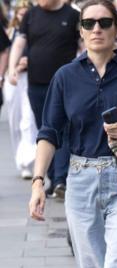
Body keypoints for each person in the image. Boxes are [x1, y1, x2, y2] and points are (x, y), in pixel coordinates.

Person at [27, 0, 117, 268]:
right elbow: (49, 132)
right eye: (88, 23)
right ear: (80, 30)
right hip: (80, 181)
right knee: (90, 263)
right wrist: (37, 182)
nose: (96, 29)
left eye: (105, 22)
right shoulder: (65, 76)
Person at [8, 0, 81, 198]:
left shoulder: (72, 15)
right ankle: (51, 178)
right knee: (45, 131)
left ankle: (60, 179)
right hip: (36, 84)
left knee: (64, 130)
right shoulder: (31, 15)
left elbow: (83, 45)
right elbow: (20, 42)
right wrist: (12, 68)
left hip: (65, 85)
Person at [3, 0, 37, 180]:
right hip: (13, 79)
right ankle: (20, 158)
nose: (22, 17)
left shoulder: (35, 31)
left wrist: (29, 61)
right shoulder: (10, 32)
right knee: (15, 122)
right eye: (20, 14)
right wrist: (12, 69)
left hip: (31, 77)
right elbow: (6, 53)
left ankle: (27, 162)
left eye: (26, 14)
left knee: (28, 121)